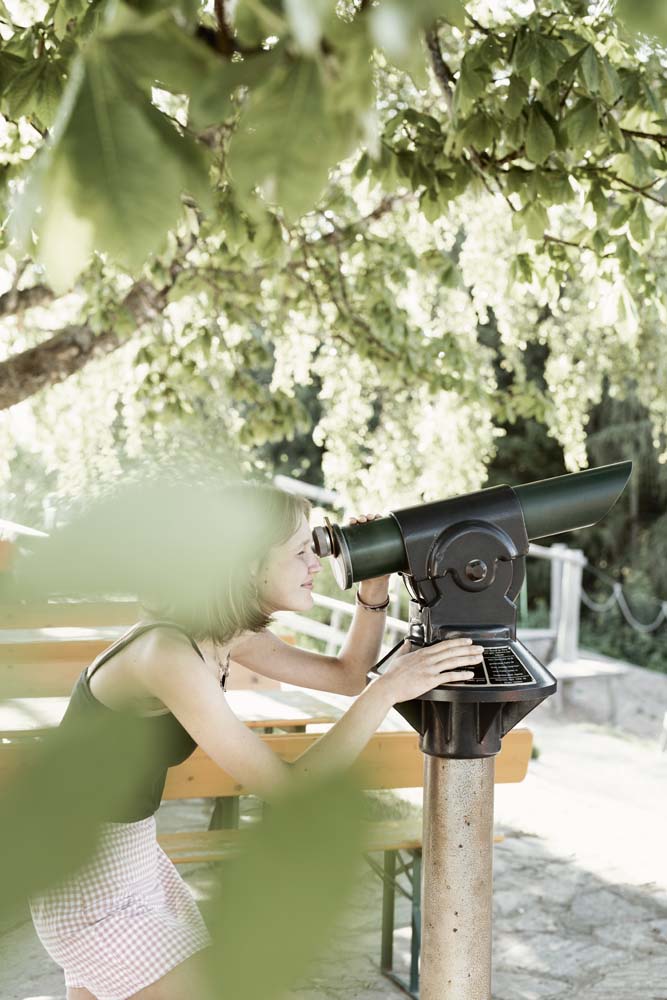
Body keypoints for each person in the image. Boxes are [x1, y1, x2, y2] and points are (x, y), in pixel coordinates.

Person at [29, 482, 484, 1000]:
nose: (315, 560)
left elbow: (348, 673)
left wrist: (373, 588)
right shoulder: (165, 653)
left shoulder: (221, 635)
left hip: (133, 862)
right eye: (298, 551)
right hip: (87, 882)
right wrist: (389, 691)